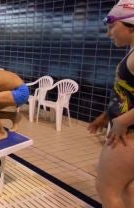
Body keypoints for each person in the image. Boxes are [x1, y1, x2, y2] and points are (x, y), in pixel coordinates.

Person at [87, 1, 134, 207]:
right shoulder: (131, 53)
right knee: (129, 190)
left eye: (111, 27)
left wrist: (123, 120)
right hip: (129, 132)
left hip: (129, 135)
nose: (108, 33)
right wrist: (106, 116)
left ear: (130, 25)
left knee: (107, 190)